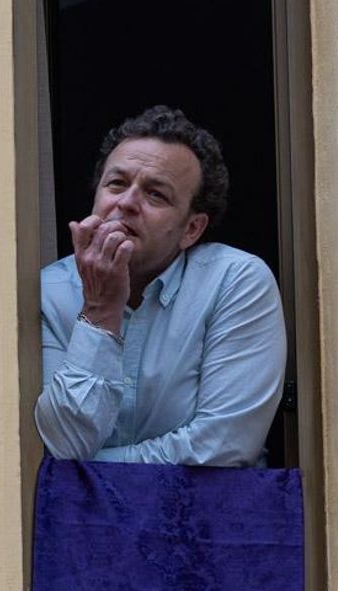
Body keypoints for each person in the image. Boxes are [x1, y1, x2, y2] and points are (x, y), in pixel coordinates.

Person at [35, 105, 287, 466]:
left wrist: (88, 471)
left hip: (206, 515)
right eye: (117, 184)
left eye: (156, 194)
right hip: (74, 523)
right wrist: (100, 311)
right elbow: (67, 442)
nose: (126, 203)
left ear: (192, 229)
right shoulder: (48, 291)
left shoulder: (236, 281)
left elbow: (222, 447)